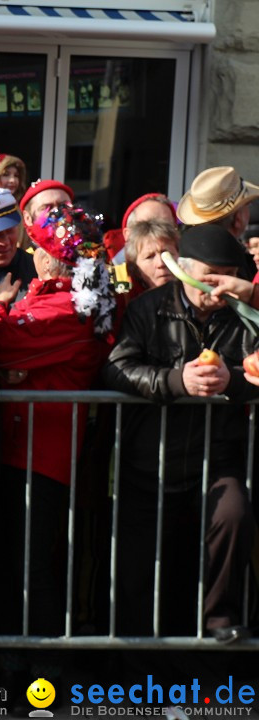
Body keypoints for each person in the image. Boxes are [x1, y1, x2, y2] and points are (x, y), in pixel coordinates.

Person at [102, 225, 258, 644]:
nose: (219, 286)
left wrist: (235, 380)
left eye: (228, 274)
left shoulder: (243, 314)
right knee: (141, 567)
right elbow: (117, 368)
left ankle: (218, 624)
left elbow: (255, 370)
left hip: (217, 454)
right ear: (184, 270)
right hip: (150, 459)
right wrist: (176, 381)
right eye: (210, 276)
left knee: (234, 515)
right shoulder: (148, 308)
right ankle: (135, 661)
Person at [0, 204, 117, 638]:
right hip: (23, 442)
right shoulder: (58, 293)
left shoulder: (68, 304)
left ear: (46, 255)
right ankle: (16, 660)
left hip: (41, 450)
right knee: (13, 560)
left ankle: (34, 668)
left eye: (35, 245)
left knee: (27, 564)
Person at [123, 219, 180, 294]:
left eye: (167, 253)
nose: (160, 263)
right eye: (149, 257)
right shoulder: (133, 304)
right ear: (136, 268)